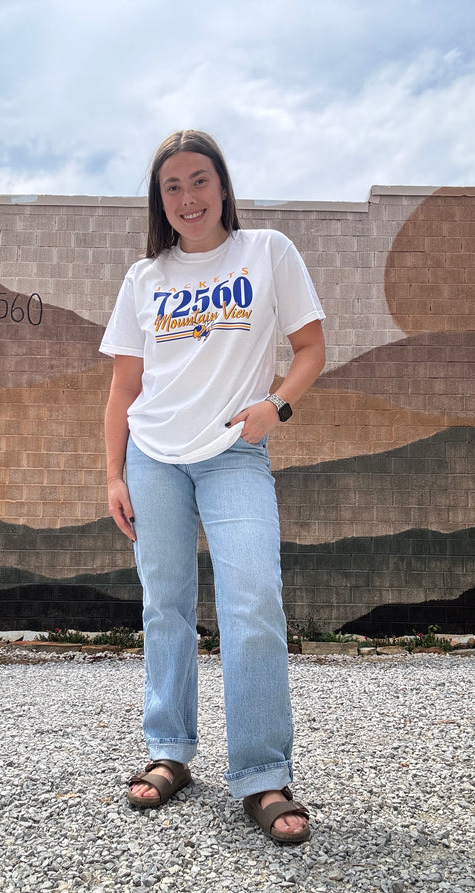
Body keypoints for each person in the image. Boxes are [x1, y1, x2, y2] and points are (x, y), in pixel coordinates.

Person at [100, 129, 325, 844]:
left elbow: (312, 347)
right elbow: (123, 388)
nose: (188, 198)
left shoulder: (268, 252)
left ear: (222, 186)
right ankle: (171, 751)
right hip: (152, 458)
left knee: (252, 599)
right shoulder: (145, 278)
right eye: (172, 187)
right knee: (165, 605)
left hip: (234, 453)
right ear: (159, 200)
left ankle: (262, 776)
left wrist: (276, 407)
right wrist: (112, 472)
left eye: (199, 181)